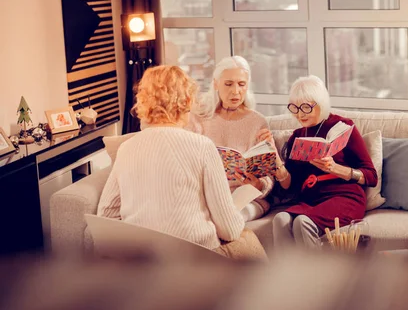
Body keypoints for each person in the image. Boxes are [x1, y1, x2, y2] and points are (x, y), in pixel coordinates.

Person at [97, 65, 266, 260]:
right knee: (247, 244)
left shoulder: (126, 148)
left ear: (143, 102)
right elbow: (229, 230)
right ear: (187, 100)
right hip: (196, 259)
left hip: (144, 261)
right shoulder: (202, 146)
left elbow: (106, 216)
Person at [258, 75, 378, 249]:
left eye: (306, 107)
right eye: (295, 108)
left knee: (302, 222)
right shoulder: (297, 136)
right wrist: (274, 155)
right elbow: (289, 187)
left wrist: (336, 169)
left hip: (344, 196)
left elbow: (371, 176)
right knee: (280, 219)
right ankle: (286, 273)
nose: (300, 114)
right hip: (311, 199)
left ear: (320, 104)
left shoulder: (343, 126)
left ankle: (317, 274)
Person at [188, 56, 274, 222]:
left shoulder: (257, 121)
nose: (235, 91)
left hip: (246, 200)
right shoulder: (200, 117)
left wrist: (260, 185)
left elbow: (269, 176)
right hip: (208, 198)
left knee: (230, 217)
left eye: (241, 84)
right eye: (228, 84)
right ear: (215, 84)